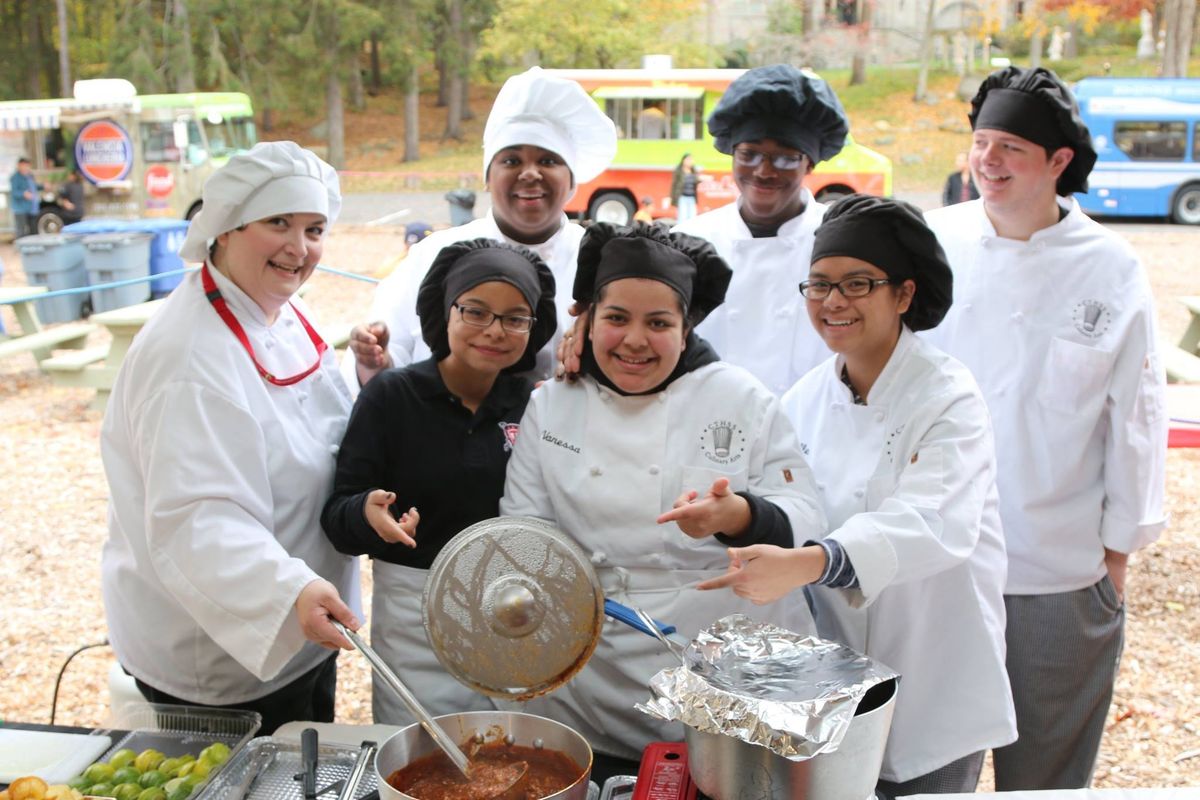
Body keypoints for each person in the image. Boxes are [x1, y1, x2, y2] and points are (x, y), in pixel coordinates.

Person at [699, 194, 1016, 799]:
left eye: (857, 284)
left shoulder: (948, 396)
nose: (833, 302)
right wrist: (735, 516)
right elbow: (787, 505)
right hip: (831, 684)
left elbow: (931, 522)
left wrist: (810, 563)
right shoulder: (803, 400)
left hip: (933, 668)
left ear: (903, 294)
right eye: (818, 285)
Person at [923, 66, 1168, 791]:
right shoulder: (934, 242)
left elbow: (1136, 418)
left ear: (1059, 163)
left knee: (1050, 776)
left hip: (1060, 567)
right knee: (934, 768)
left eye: (1011, 149)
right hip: (944, 559)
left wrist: (1116, 558)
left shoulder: (1110, 267)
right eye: (981, 142)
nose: (988, 162)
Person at [500, 222, 825, 763]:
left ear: (685, 326)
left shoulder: (740, 397)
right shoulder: (553, 405)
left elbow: (807, 516)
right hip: (595, 669)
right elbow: (525, 531)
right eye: (617, 318)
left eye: (658, 323)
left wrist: (739, 516)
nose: (634, 340)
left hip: (731, 664)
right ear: (589, 320)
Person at [100, 141, 361, 735]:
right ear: (225, 228)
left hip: (306, 626)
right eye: (279, 224)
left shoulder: (277, 309)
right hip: (224, 660)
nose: (299, 249)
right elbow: (196, 520)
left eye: (315, 229)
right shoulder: (189, 357)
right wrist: (290, 588)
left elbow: (315, 424)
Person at [321, 239, 557, 724]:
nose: (495, 330)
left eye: (515, 318)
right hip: (415, 620)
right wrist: (367, 513)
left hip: (516, 614)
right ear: (444, 311)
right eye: (476, 311)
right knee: (424, 759)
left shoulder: (536, 404)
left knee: (513, 756)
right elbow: (337, 513)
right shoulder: (393, 396)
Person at [343, 66, 616, 393]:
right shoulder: (434, 255)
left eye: (547, 161)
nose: (530, 174)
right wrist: (375, 359)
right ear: (487, 177)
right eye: (511, 161)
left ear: (571, 179)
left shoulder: (604, 263)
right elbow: (393, 356)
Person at [10, 157, 42, 238]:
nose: (25, 167)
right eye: (23, 165)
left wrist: (43, 186)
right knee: (21, 231)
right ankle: (21, 249)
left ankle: (34, 248)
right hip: (20, 209)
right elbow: (14, 192)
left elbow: (33, 187)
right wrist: (24, 194)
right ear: (19, 165)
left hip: (32, 208)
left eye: (27, 165)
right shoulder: (15, 177)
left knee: (33, 230)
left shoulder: (30, 176)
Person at [669, 153, 700, 221]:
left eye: (691, 159)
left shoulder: (694, 171)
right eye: (688, 159)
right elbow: (674, 184)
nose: (690, 161)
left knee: (692, 217)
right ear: (683, 160)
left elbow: (696, 182)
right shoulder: (679, 171)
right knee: (682, 217)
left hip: (692, 197)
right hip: (682, 197)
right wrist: (671, 197)